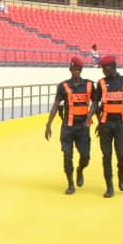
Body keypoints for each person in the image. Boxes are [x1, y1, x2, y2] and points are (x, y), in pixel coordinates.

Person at [90, 55, 123, 198]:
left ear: (111, 67)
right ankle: (109, 186)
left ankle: (121, 173)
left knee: (122, 155)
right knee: (106, 156)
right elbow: (95, 104)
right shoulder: (101, 83)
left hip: (120, 125)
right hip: (105, 125)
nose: (102, 71)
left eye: (103, 68)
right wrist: (93, 120)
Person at [44, 56, 93, 195]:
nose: (76, 72)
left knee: (86, 156)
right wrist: (48, 124)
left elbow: (95, 104)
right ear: (70, 69)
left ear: (81, 70)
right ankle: (70, 184)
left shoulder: (89, 85)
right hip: (68, 127)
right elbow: (56, 105)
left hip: (83, 128)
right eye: (74, 69)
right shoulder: (63, 86)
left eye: (78, 69)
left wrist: (96, 120)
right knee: (67, 155)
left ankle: (80, 170)